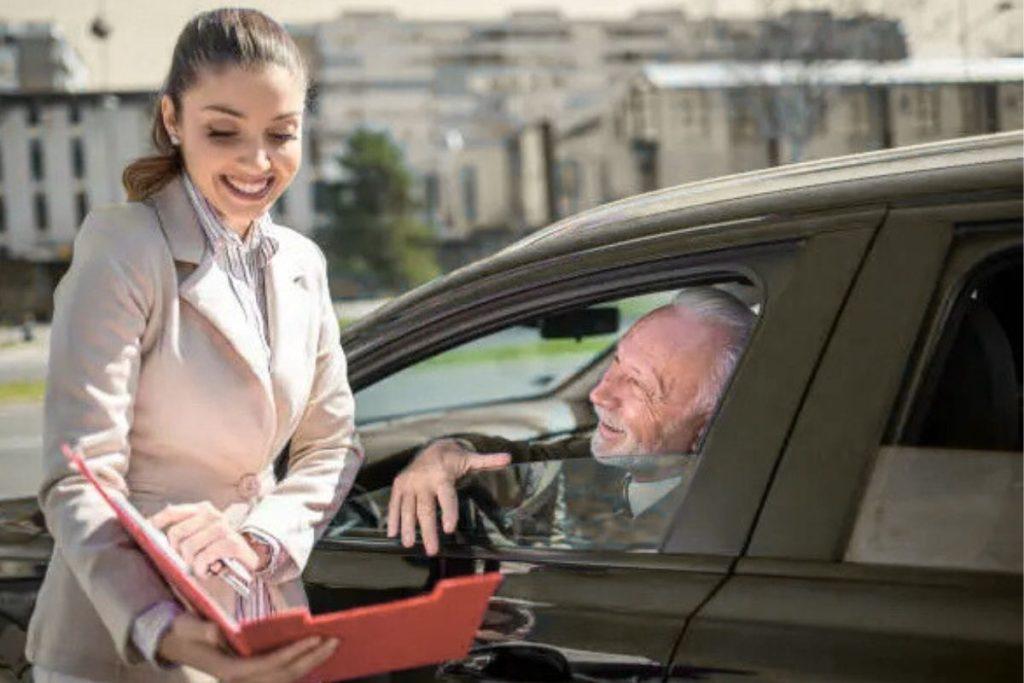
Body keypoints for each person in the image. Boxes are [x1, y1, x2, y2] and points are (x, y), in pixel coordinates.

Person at [26, 9, 361, 683]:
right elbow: (78, 475)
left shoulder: (303, 262)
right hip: (123, 643)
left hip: (258, 617)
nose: (257, 161)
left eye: (282, 134)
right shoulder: (124, 246)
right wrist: (165, 626)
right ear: (173, 120)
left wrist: (264, 537)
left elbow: (333, 443)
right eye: (223, 131)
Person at [387, 287, 755, 555]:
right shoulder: (618, 461)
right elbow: (524, 463)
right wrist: (445, 453)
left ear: (709, 425)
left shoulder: (729, 527)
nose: (599, 394)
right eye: (615, 362)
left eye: (639, 385)